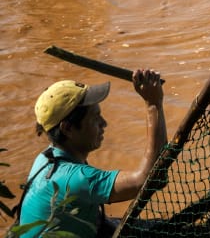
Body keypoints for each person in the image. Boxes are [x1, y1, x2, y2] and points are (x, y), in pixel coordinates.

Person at [16, 69, 166, 237]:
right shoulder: (75, 179)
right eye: (95, 118)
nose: (104, 123)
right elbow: (149, 179)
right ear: (68, 128)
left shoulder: (46, 157)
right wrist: (153, 104)